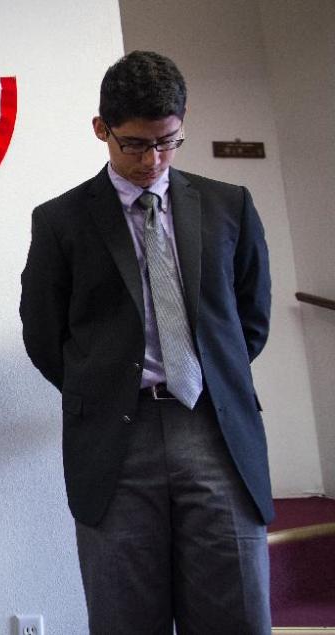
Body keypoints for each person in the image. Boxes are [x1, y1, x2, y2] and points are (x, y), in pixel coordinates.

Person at [20, 50, 273, 634]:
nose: (151, 159)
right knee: (125, 615)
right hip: (115, 438)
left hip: (215, 429)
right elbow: (43, 333)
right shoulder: (60, 220)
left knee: (235, 607)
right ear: (101, 129)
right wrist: (105, 387)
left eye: (167, 141)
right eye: (133, 144)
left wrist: (208, 375)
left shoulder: (228, 205)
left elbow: (249, 320)